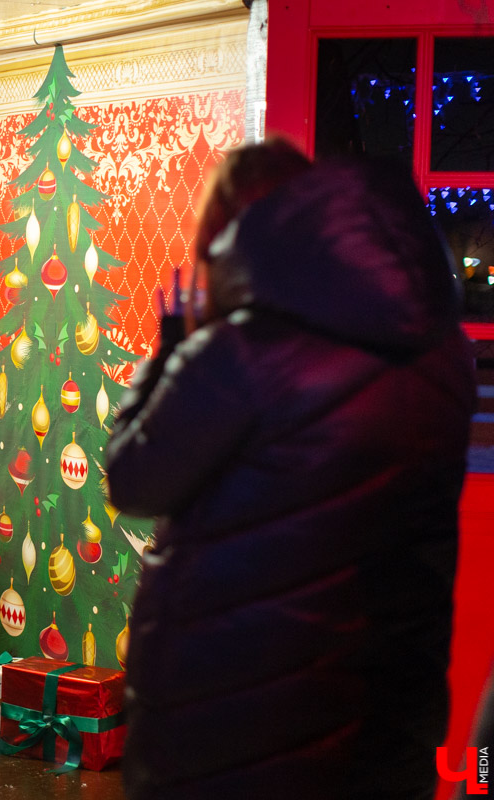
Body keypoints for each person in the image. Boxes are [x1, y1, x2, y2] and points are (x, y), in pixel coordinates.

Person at [105, 140, 476, 800]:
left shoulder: (242, 351)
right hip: (388, 710)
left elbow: (134, 479)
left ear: (236, 233)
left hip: (241, 711)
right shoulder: (442, 355)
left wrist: (172, 346)